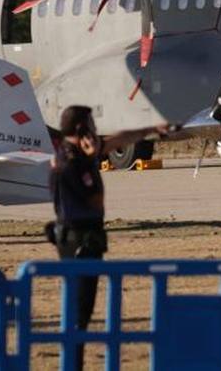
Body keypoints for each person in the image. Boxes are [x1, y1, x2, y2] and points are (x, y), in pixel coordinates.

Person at [48, 105, 161, 368]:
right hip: (80, 242)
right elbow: (95, 199)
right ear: (80, 129)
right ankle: (73, 364)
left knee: (81, 311)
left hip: (78, 239)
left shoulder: (73, 153)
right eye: (90, 124)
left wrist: (151, 130)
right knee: (80, 311)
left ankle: (74, 361)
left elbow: (116, 140)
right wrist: (90, 160)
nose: (96, 129)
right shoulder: (73, 161)